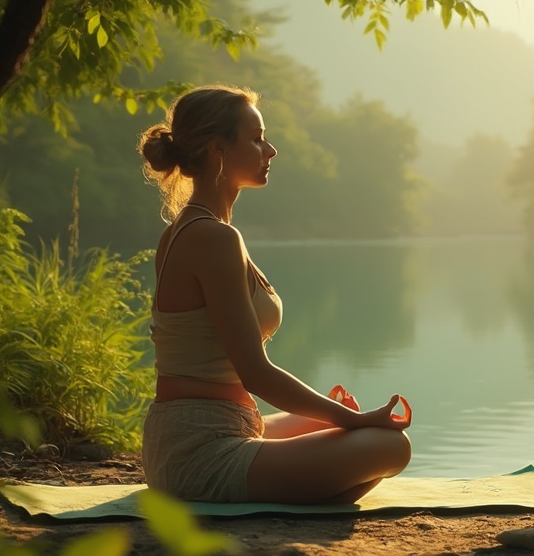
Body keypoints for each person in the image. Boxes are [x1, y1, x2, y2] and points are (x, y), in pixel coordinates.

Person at [137, 84, 412, 505]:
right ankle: (315, 494)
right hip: (201, 452)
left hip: (203, 431)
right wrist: (354, 420)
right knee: (390, 446)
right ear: (217, 149)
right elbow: (256, 373)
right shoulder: (212, 238)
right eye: (256, 138)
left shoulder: (194, 230)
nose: (271, 150)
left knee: (333, 423)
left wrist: (334, 415)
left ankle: (311, 485)